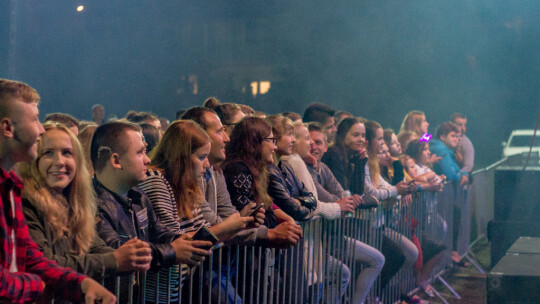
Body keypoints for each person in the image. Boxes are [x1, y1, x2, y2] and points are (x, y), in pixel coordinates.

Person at [0, 79, 114, 303]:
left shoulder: (10, 186)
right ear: (8, 128)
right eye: (34, 120)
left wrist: (81, 284)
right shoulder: (22, 195)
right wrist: (37, 285)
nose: (41, 130)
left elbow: (31, 258)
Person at [19, 123, 152, 300]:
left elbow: (93, 244)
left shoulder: (73, 203)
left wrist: (132, 255)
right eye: (48, 153)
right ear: (34, 161)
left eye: (67, 153)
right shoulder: (25, 203)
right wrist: (115, 260)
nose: (59, 162)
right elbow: (47, 264)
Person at [91, 121, 211, 303]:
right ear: (116, 161)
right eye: (140, 152)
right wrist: (173, 251)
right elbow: (117, 251)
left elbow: (160, 231)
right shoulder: (93, 203)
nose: (147, 160)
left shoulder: (138, 195)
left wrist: (183, 242)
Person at [138, 120, 255, 303]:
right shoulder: (156, 181)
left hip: (173, 289)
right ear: (181, 157)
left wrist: (239, 223)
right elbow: (174, 243)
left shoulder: (185, 186)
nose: (207, 164)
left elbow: (204, 234)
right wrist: (229, 226)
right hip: (152, 293)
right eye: (202, 157)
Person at [289, 121, 385, 304]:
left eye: (318, 142)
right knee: (339, 274)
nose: (313, 145)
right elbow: (321, 199)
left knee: (373, 261)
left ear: (327, 146)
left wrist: (348, 198)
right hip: (312, 241)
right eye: (310, 140)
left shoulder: (323, 167)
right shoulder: (299, 164)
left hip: (326, 237)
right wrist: (343, 203)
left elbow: (345, 193)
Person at [181, 106, 300, 248]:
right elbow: (212, 225)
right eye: (220, 131)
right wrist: (265, 232)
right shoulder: (235, 169)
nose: (227, 138)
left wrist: (239, 221)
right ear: (199, 135)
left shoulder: (215, 170)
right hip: (203, 265)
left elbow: (228, 218)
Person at [321, 117, 367, 195]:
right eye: (356, 135)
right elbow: (343, 192)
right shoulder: (334, 154)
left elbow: (358, 192)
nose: (361, 139)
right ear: (343, 135)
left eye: (363, 135)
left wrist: (360, 163)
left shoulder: (350, 156)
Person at [451, 113, 474, 178]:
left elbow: (469, 166)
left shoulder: (466, 143)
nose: (463, 128)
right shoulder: (447, 141)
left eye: (465, 125)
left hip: (461, 184)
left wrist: (456, 176)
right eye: (460, 125)